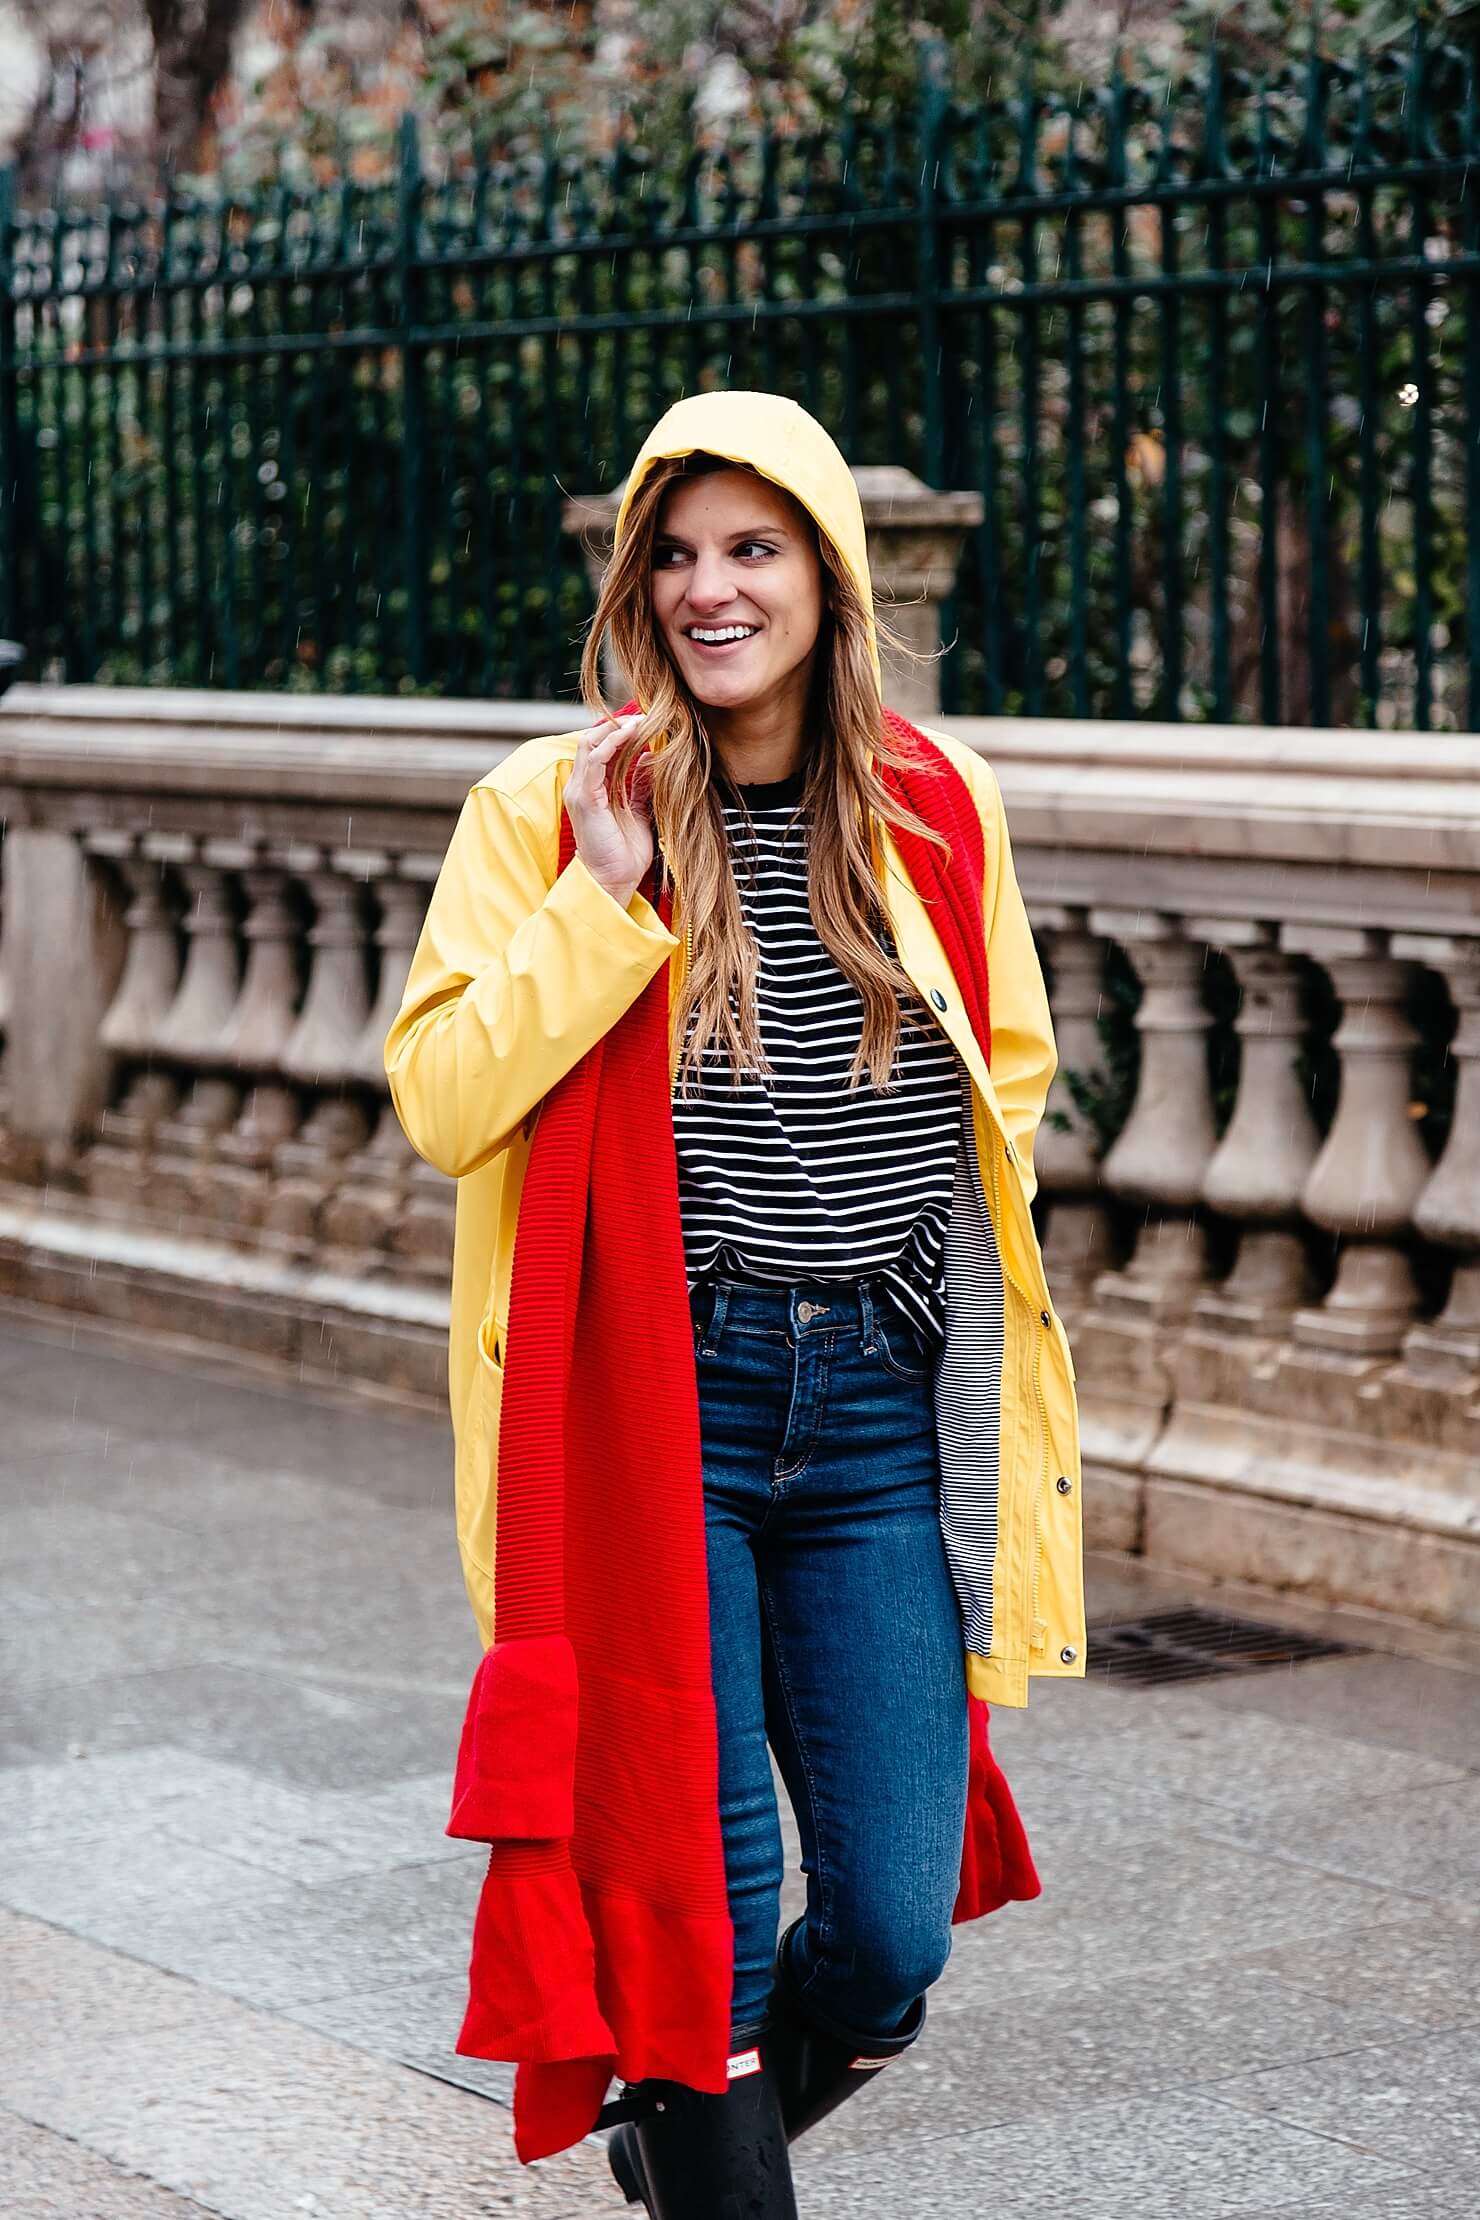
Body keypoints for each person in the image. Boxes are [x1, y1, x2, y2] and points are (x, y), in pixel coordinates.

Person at [384, 389, 1085, 2218]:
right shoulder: (549, 809)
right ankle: (701, 2122)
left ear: (830, 579)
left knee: (884, 1924)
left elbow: (1007, 1067)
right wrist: (603, 911)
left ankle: (686, 2131)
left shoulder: (937, 803)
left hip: (866, 1408)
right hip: (653, 1410)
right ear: (637, 589)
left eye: (753, 549)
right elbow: (444, 1098)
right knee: (696, 1924)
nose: (712, 590)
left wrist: (916, 1251)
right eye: (676, 555)